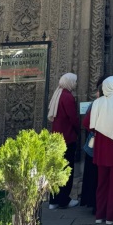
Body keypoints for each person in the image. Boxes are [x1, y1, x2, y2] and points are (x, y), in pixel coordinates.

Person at [84, 76, 113, 224]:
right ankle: (112, 215)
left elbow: (87, 123)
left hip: (101, 147)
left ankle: (100, 214)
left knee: (102, 183)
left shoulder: (97, 103)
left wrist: (99, 128)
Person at [48, 72, 79, 209]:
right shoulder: (67, 97)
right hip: (67, 137)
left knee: (57, 169)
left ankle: (53, 200)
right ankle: (64, 199)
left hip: (56, 137)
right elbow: (72, 117)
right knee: (66, 169)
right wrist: (78, 129)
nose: (76, 84)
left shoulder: (58, 94)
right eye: (75, 81)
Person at [80, 75, 106, 211]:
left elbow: (86, 123)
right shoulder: (109, 104)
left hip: (94, 144)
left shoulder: (95, 104)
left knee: (93, 175)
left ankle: (92, 201)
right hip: (101, 145)